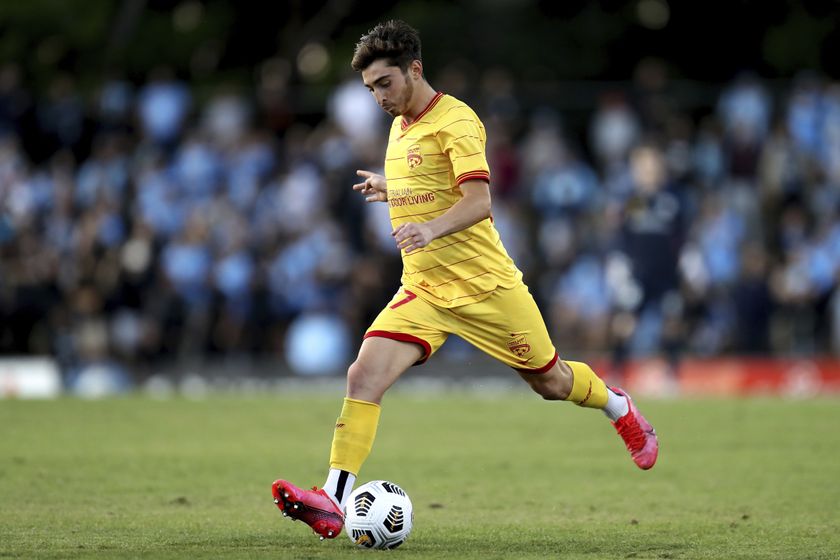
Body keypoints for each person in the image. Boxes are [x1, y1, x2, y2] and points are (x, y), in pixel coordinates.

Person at [271, 20, 658, 540]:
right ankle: (332, 500)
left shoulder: (456, 120)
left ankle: (620, 407)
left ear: (415, 69)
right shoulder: (400, 124)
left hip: (486, 288)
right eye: (370, 90)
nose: (378, 98)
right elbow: (428, 179)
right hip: (425, 289)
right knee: (363, 376)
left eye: (385, 84)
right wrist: (394, 189)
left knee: (551, 382)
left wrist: (428, 227)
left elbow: (479, 200)